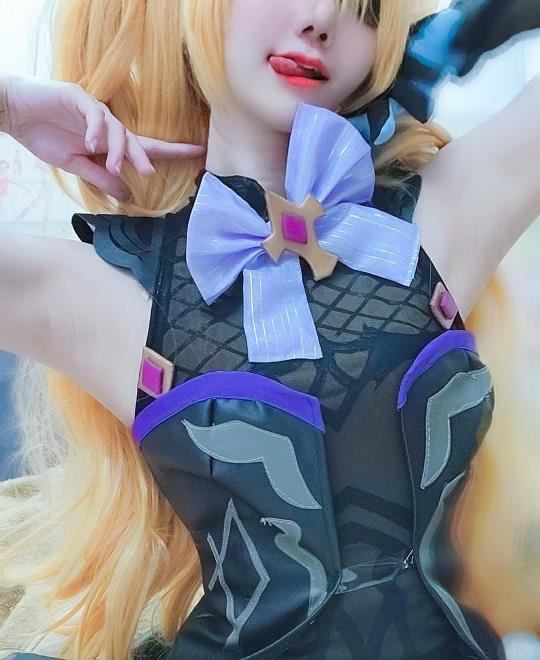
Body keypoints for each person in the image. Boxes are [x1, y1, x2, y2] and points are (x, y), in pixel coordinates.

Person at [0, 0, 539, 658]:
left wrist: (470, 25)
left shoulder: (444, 217)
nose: (320, 18)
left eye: (365, 6)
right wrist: (9, 105)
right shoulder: (106, 290)